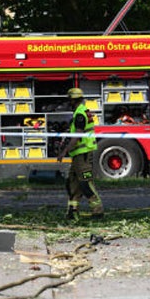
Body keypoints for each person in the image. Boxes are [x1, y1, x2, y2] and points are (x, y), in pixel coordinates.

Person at [56, 87, 104, 220]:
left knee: (86, 183)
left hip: (83, 156)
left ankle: (97, 211)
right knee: (72, 183)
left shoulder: (80, 115)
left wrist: (64, 152)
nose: (68, 103)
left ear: (73, 100)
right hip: (78, 156)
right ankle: (73, 211)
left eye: (69, 100)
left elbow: (77, 137)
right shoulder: (80, 112)